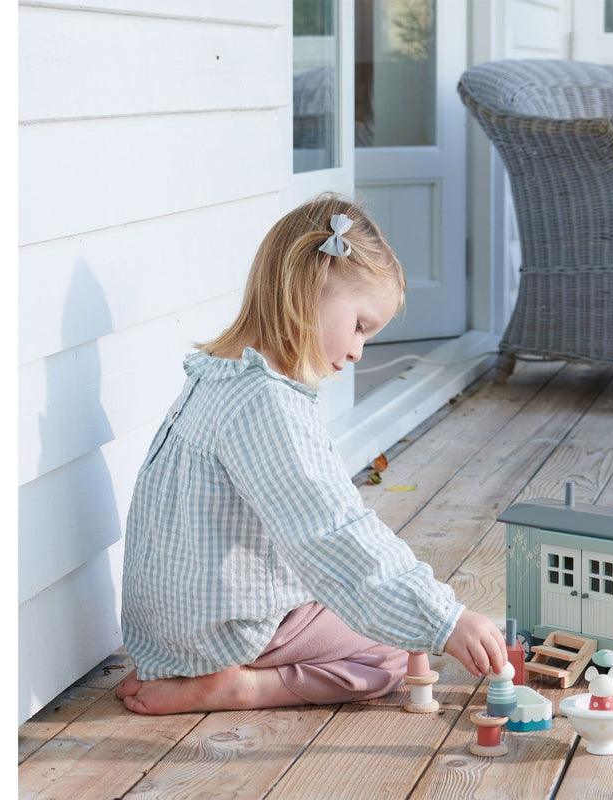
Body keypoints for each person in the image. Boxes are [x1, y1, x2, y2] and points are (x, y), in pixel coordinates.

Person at [116, 193, 507, 715]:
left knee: (365, 603)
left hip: (167, 631)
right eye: (361, 325)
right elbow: (331, 532)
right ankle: (240, 685)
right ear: (309, 288)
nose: (358, 351)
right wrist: (444, 618)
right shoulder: (270, 405)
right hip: (222, 634)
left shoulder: (215, 375)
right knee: (396, 650)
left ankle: (195, 671)